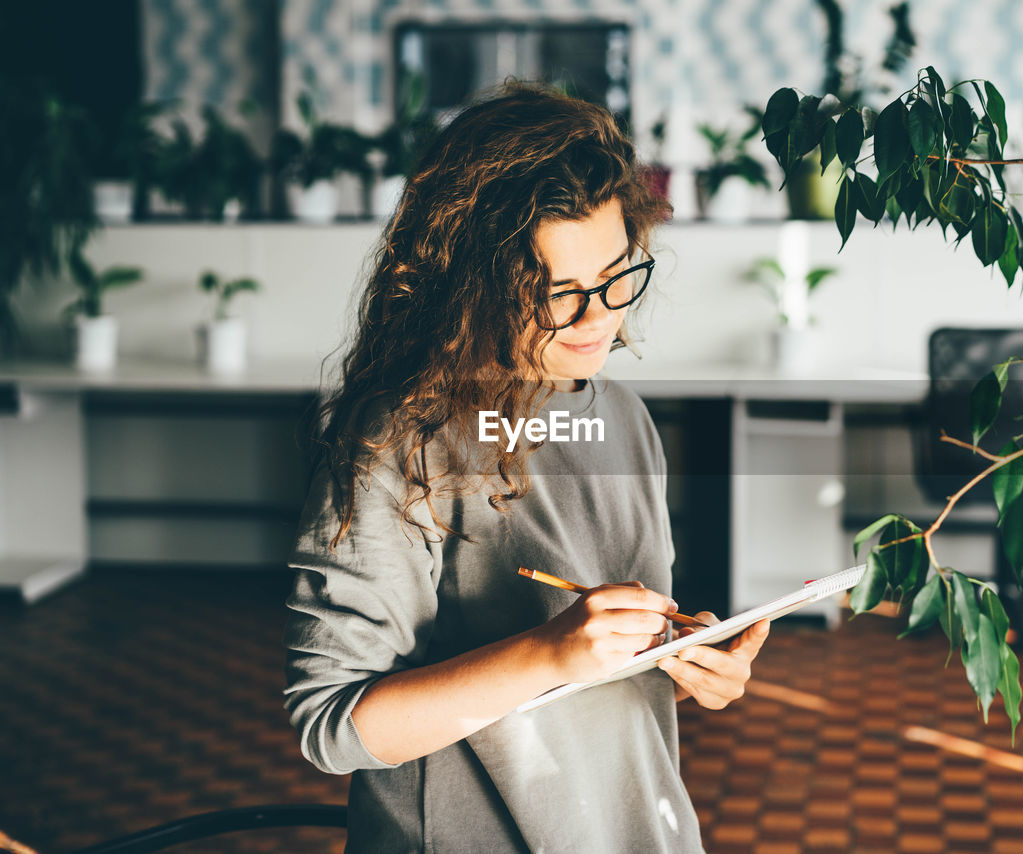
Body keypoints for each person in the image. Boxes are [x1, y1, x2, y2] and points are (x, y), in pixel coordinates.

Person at [283, 81, 771, 854]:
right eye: (557, 294)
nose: (600, 317)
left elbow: (609, 640)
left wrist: (682, 650)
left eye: (617, 276)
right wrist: (550, 653)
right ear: (469, 287)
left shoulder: (623, 415)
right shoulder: (406, 438)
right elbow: (331, 723)